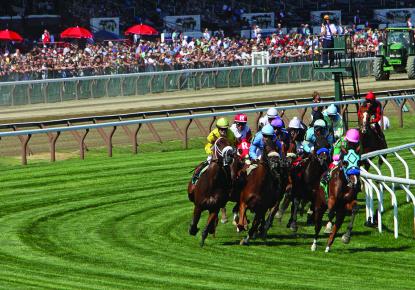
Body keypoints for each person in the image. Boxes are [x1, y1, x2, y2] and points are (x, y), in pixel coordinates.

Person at [192, 117, 236, 183]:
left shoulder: (231, 134)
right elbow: (208, 145)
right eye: (221, 129)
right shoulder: (213, 134)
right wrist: (210, 152)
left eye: (225, 129)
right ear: (218, 128)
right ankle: (197, 174)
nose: (223, 131)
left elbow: (232, 145)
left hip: (226, 152)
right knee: (209, 161)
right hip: (215, 151)